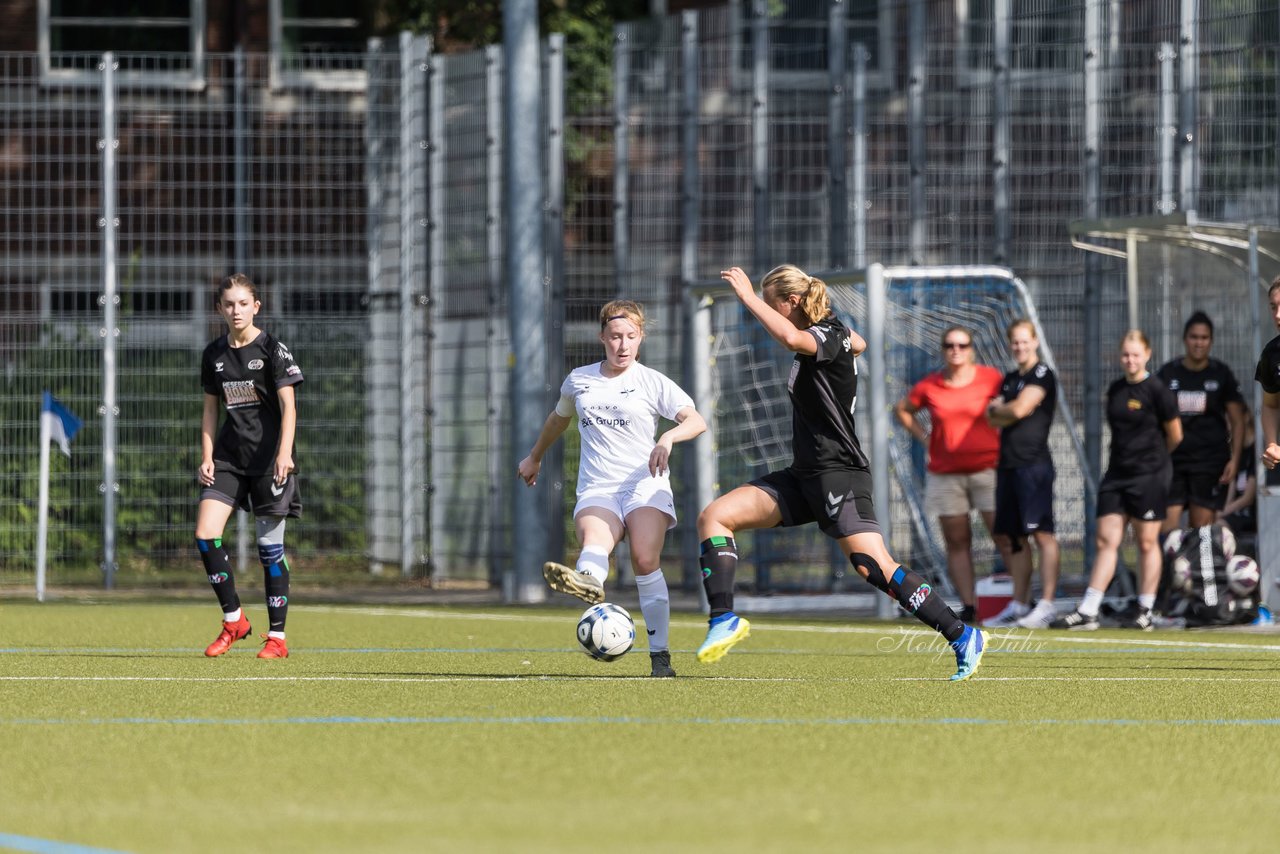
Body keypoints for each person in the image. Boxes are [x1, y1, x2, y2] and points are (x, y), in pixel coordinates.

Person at [695, 265, 987, 681]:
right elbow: (859, 342)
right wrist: (851, 343)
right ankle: (723, 619)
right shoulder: (834, 338)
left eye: (773, 301)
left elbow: (794, 336)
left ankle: (961, 635)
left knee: (873, 565)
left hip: (839, 475)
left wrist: (747, 298)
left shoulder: (825, 334)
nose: (769, 309)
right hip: (804, 476)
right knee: (715, 517)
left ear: (791, 303)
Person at [518, 299, 706, 678]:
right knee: (594, 540)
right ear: (602, 336)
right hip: (598, 486)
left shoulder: (652, 382)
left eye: (631, 337)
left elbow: (695, 420)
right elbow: (558, 420)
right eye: (616, 336)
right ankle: (588, 580)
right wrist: (534, 457)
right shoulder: (580, 379)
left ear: (641, 338)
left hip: (644, 487)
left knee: (645, 559)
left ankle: (661, 659)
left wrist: (667, 439)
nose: (623, 345)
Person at [196, 274, 303, 659]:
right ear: (219, 308)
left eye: (243, 303)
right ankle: (234, 620)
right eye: (229, 304)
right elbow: (210, 410)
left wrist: (284, 453)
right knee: (206, 535)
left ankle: (277, 639)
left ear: (256, 306)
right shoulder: (214, 355)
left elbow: (289, 407)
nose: (236, 310)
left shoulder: (273, 349)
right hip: (228, 458)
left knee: (269, 551)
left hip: (269, 461)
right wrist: (207, 456)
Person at [1052, 330, 1181, 630]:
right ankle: (1089, 609)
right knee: (1106, 540)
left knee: (1147, 543)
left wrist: (1153, 461)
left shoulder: (1158, 390)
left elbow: (1175, 436)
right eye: (1125, 354)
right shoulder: (1117, 389)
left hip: (1149, 476)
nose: (1130, 359)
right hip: (1117, 475)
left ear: (1147, 354)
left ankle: (1145, 610)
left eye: (1136, 354)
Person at [894, 325, 1004, 623]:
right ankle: (969, 605)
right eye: (950, 345)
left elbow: (1011, 409)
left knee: (1004, 535)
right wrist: (927, 438)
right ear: (943, 350)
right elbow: (903, 410)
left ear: (972, 349)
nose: (956, 350)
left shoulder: (991, 379)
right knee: (957, 541)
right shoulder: (931, 385)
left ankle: (1022, 600)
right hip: (946, 474)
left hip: (988, 470)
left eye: (962, 345)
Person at [983, 319, 1061, 629]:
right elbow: (995, 420)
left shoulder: (1042, 374)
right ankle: (1018, 603)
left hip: (1034, 467)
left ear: (1035, 341)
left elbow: (1017, 411)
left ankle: (1048, 603)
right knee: (1013, 537)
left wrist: (1000, 408)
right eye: (1015, 342)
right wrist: (1001, 409)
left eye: (1024, 341)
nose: (1019, 347)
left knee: (1042, 534)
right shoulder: (1010, 378)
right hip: (1008, 465)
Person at [1156, 311, 1245, 533]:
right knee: (1168, 530)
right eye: (1194, 337)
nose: (1199, 343)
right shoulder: (1168, 373)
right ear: (1185, 339)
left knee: (1200, 531)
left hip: (1209, 462)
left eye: (1204, 338)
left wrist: (1235, 459)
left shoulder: (1221, 373)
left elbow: (1237, 420)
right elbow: (1153, 416)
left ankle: (1195, 568)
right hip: (1173, 461)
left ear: (1211, 341)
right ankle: (1170, 568)